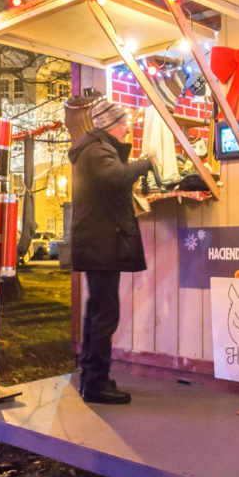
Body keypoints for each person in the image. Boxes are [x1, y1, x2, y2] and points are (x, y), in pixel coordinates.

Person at [68, 99, 155, 404]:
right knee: (104, 315)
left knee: (97, 313)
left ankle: (92, 376)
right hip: (102, 244)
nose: (127, 129)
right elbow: (115, 178)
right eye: (124, 124)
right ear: (112, 125)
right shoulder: (98, 149)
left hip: (98, 243)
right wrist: (146, 162)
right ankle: (95, 384)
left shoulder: (92, 148)